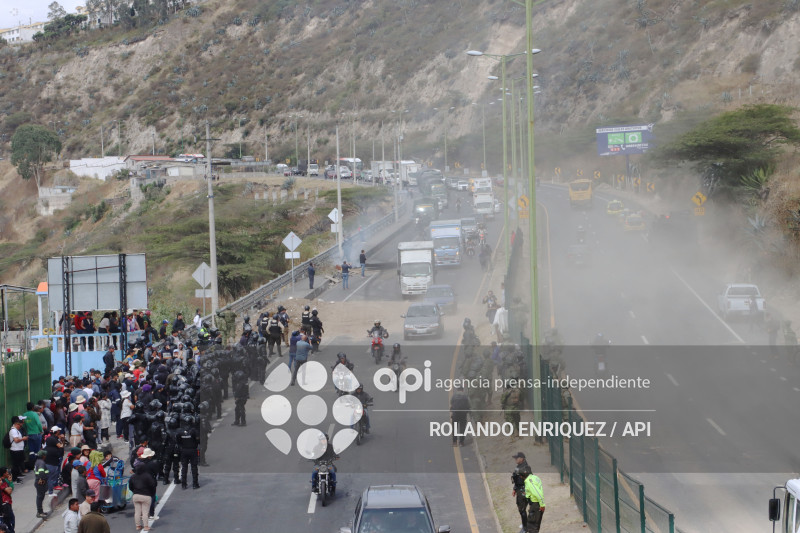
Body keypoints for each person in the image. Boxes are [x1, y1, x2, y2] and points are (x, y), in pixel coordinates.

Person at [129, 462, 156, 529]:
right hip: (146, 496)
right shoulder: (147, 476)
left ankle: (138, 526)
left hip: (136, 495)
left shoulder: (133, 476)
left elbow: (130, 487)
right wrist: (151, 493)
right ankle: (146, 526)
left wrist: (134, 491)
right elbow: (153, 485)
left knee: (137, 512)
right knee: (145, 512)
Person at [511, 452, 532, 531]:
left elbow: (529, 480)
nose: (515, 459)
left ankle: (525, 527)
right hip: (519, 490)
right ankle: (525, 524)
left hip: (524, 490)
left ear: (522, 458)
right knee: (521, 508)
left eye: (517, 458)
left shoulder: (525, 468)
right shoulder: (519, 467)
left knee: (522, 509)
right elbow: (517, 480)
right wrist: (515, 488)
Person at [8, 416, 28, 482]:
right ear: (16, 424)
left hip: (18, 449)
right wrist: (23, 438)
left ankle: (16, 477)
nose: (20, 426)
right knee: (15, 465)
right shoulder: (13, 431)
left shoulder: (16, 430)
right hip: (15, 450)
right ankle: (14, 478)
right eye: (19, 425)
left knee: (17, 464)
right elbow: (16, 440)